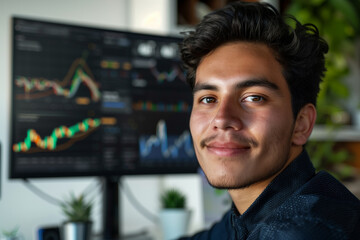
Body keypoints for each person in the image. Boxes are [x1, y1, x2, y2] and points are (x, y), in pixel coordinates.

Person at [179, 1, 360, 239]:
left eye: (254, 97)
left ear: (301, 123)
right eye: (208, 99)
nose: (222, 119)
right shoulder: (253, 212)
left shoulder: (300, 231)